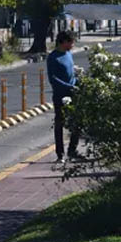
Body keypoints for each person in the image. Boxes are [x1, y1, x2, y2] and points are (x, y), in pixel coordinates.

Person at [47, 30, 81, 163]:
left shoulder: (69, 55)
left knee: (77, 122)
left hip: (74, 93)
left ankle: (72, 150)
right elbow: (53, 79)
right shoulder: (53, 58)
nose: (72, 45)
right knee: (60, 123)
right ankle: (60, 154)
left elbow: (71, 73)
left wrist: (78, 82)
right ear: (63, 42)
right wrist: (69, 87)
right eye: (71, 42)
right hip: (60, 95)